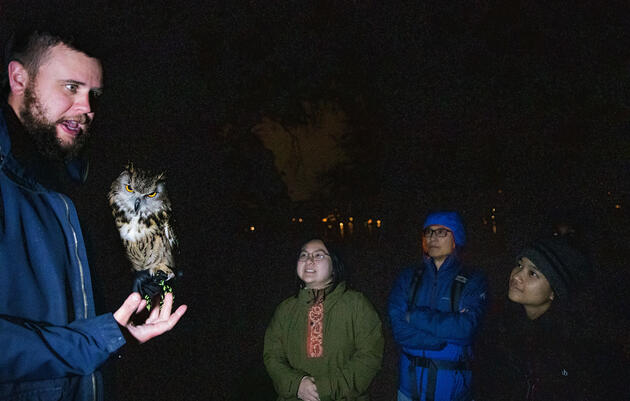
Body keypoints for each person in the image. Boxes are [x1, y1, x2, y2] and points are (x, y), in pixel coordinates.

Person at [0, 29, 187, 399]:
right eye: (71, 87)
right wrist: (96, 341)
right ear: (19, 78)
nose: (87, 108)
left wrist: (136, 304)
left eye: (93, 94)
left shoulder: (72, 178)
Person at [474, 237, 627, 400]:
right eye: (519, 264)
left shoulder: (577, 345)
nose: (517, 276)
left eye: (532, 273)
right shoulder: (500, 328)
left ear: (554, 291)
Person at [263, 238, 384, 401]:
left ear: (334, 266)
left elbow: (370, 355)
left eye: (319, 255)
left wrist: (326, 388)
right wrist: (296, 384)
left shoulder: (356, 304)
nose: (309, 260)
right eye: (304, 255)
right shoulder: (285, 309)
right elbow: (272, 356)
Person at [388, 211, 488, 401]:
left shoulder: (473, 280)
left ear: (456, 238)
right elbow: (398, 327)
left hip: (453, 391)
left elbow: (466, 329)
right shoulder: (408, 277)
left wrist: (415, 317)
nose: (433, 237)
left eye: (442, 232)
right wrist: (441, 341)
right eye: (428, 232)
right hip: (409, 389)